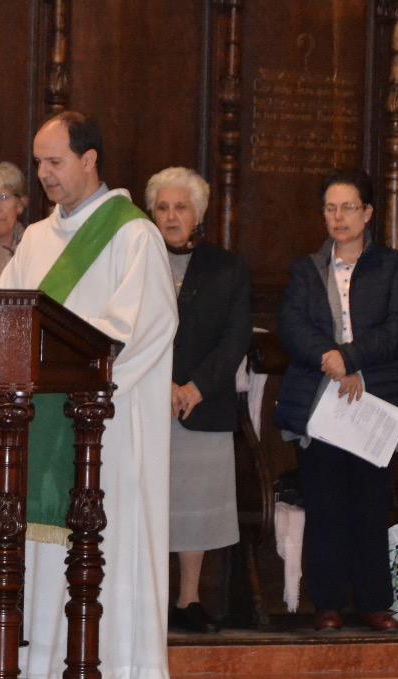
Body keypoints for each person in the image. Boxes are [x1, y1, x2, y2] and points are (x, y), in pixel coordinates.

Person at [0, 112, 177, 679]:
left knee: (107, 539)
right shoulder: (37, 239)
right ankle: (47, 668)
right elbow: (6, 317)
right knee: (47, 549)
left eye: (55, 161)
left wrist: (81, 383)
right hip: (43, 421)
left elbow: (146, 328)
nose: (43, 174)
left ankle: (114, 676)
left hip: (107, 426)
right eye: (39, 162)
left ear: (89, 159)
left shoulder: (132, 234)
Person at [273, 168, 398, 632]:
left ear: (368, 213)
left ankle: (376, 603)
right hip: (320, 400)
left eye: (348, 207)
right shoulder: (305, 269)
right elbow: (292, 325)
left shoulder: (393, 266)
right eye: (331, 208)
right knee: (326, 504)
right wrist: (329, 360)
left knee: (371, 504)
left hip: (373, 400)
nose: (339, 217)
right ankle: (329, 604)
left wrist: (351, 358)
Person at [145, 167, 251, 634]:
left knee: (195, 504)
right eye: (163, 207)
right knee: (149, 506)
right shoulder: (136, 262)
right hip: (146, 402)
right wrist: (160, 384)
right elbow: (123, 331)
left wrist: (194, 388)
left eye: (180, 207)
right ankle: (149, 600)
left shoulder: (226, 268)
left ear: (198, 214)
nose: (171, 216)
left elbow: (235, 337)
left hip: (202, 405)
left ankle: (188, 599)